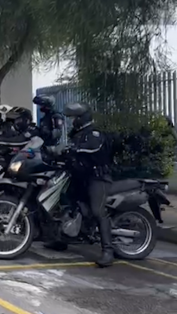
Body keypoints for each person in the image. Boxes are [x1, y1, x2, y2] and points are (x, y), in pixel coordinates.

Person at [61, 102, 114, 267]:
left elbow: (90, 148)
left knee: (98, 211)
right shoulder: (77, 133)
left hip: (97, 178)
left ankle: (108, 251)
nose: (72, 121)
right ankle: (61, 238)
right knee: (66, 202)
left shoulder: (94, 133)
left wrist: (72, 150)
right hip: (81, 177)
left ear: (82, 117)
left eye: (74, 118)